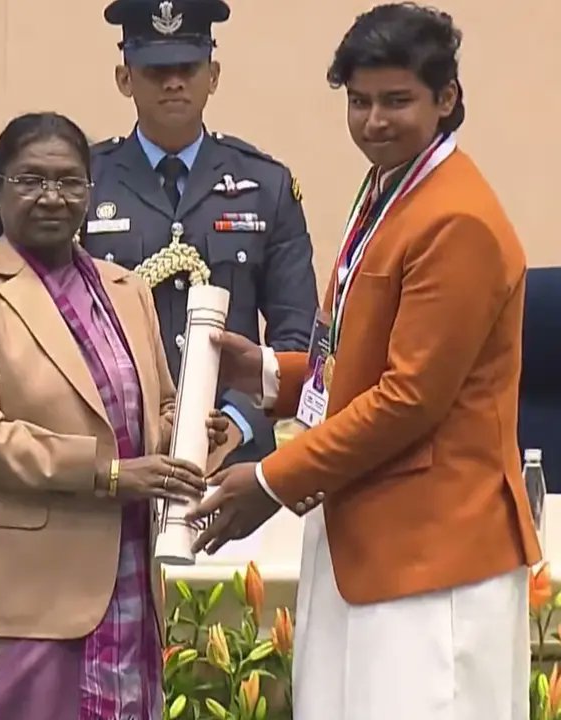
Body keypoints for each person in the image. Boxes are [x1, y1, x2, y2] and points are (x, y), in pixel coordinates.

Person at [190, 5, 538, 719]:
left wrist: (269, 480)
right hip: (364, 534)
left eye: (396, 101)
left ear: (446, 99)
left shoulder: (456, 216)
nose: (374, 121)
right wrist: (267, 374)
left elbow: (411, 398)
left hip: (432, 554)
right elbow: (355, 355)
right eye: (359, 101)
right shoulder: (387, 188)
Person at [0, 112, 229, 720]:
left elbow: (154, 407)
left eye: (69, 182)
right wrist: (112, 475)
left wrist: (191, 433)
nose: (52, 197)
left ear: (90, 192)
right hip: (14, 600)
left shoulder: (125, 288)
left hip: (126, 580)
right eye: (30, 181)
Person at [84, 0, 318, 468]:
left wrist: (240, 420)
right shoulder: (86, 181)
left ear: (212, 75)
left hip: (236, 456)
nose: (173, 82)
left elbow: (299, 334)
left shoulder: (264, 185)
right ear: (124, 79)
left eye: (188, 68)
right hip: (120, 449)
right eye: (155, 70)